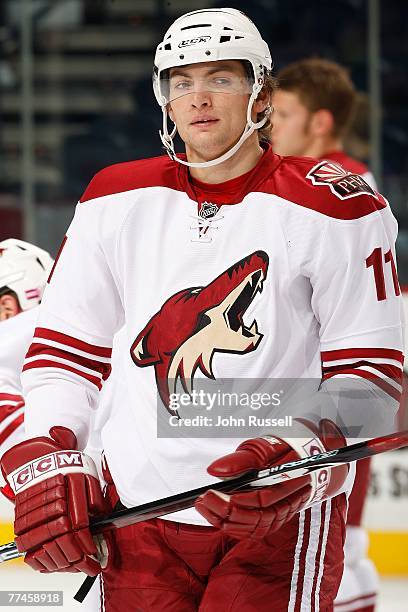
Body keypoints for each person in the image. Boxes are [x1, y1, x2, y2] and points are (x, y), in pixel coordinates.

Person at [0, 8, 403, 612]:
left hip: (276, 523)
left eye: (220, 78)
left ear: (260, 94)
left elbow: (376, 376)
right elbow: (65, 352)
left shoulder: (335, 206)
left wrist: (300, 449)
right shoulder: (116, 197)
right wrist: (51, 452)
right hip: (138, 513)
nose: (198, 98)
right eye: (181, 82)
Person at [271, 57, 382, 612]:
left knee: (334, 549)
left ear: (318, 122)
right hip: (311, 395)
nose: (271, 125)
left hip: (326, 399)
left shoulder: (343, 185)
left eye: (284, 114)